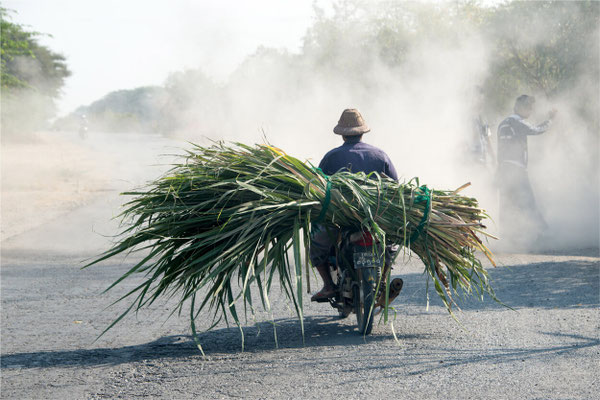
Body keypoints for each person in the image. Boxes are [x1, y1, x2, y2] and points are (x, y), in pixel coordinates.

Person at [310, 108, 399, 301]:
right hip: (376, 219)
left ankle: (328, 285)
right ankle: (382, 279)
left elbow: (316, 186)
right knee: (390, 245)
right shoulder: (380, 155)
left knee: (317, 244)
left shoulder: (331, 157)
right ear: (362, 132)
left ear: (342, 135)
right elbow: (395, 188)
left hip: (340, 220)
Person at [496, 94, 557, 243]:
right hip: (516, 170)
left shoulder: (503, 123)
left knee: (507, 204)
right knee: (528, 202)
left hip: (503, 170)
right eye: (530, 109)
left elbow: (499, 151)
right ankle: (543, 234)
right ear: (522, 108)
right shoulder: (517, 122)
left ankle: (507, 239)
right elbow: (537, 130)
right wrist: (550, 120)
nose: (530, 113)